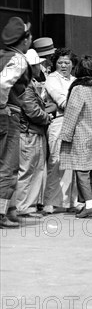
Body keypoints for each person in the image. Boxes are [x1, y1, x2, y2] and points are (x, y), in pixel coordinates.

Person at [59, 56, 92, 218]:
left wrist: (65, 135)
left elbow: (72, 112)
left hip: (83, 134)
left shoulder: (78, 89)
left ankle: (88, 205)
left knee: (81, 171)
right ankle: (88, 204)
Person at [0, 17, 33, 228]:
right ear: (25, 39)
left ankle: (10, 209)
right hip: (7, 114)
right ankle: (1, 213)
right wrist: (2, 106)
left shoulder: (2, 56)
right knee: (8, 167)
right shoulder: (18, 59)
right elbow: (2, 83)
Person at [12, 49, 52, 218]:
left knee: (33, 170)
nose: (40, 68)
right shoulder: (26, 87)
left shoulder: (27, 84)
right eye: (38, 65)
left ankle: (28, 206)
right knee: (29, 171)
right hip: (30, 133)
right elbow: (32, 111)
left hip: (32, 132)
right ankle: (24, 207)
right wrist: (47, 117)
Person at [42, 47, 79, 215]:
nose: (63, 65)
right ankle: (50, 201)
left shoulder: (75, 80)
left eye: (67, 62)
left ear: (72, 64)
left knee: (72, 161)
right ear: (55, 64)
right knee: (56, 160)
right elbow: (60, 98)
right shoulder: (52, 79)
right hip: (58, 120)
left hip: (75, 121)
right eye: (60, 62)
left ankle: (70, 201)